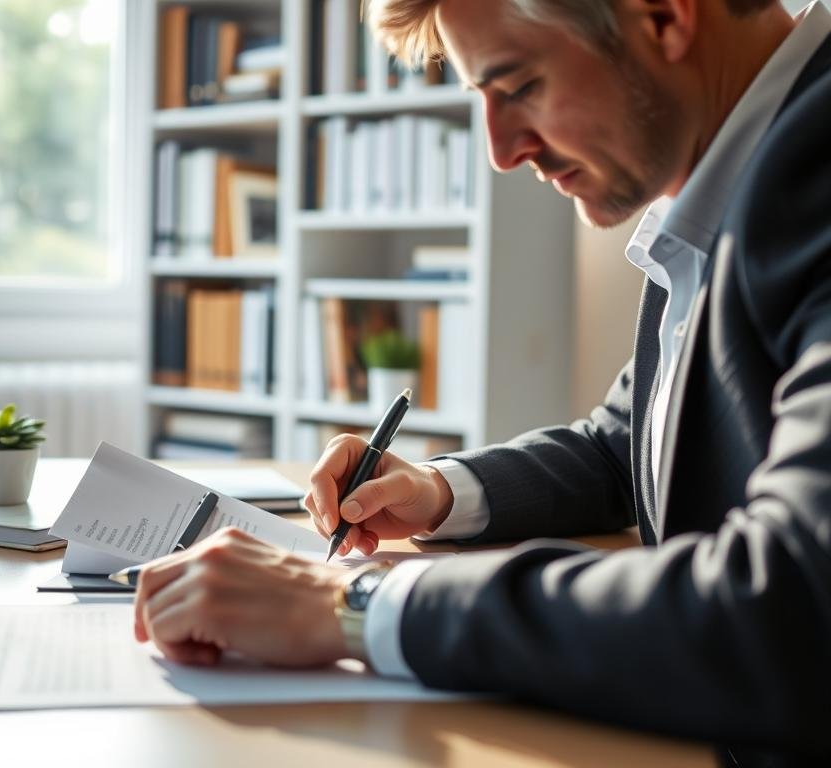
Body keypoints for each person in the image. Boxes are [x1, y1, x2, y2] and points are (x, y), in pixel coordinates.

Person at [133, 0, 831, 762]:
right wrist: (436, 491)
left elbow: (794, 606)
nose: (500, 151)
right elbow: (626, 445)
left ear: (663, 16)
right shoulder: (722, 181)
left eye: (520, 85)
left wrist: (353, 603)